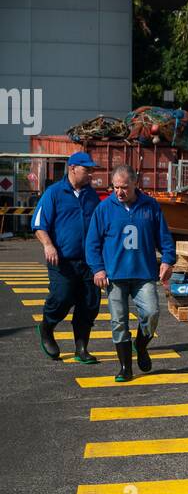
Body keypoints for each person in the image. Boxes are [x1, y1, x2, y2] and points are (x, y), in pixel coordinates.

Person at [85, 165, 176, 382]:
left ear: (136, 184)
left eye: (124, 187)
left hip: (143, 273)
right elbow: (92, 243)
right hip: (114, 276)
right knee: (118, 321)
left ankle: (141, 345)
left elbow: (164, 237)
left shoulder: (150, 206)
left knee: (152, 313)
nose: (119, 192)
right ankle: (125, 367)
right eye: (116, 187)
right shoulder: (104, 208)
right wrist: (97, 269)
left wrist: (167, 260)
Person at [30, 151, 103, 363]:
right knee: (62, 298)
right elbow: (38, 224)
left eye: (92, 170)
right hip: (61, 260)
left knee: (89, 303)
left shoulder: (92, 196)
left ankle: (81, 349)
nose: (91, 174)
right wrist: (48, 245)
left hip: (89, 261)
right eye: (87, 170)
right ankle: (46, 327)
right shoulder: (54, 193)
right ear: (72, 168)